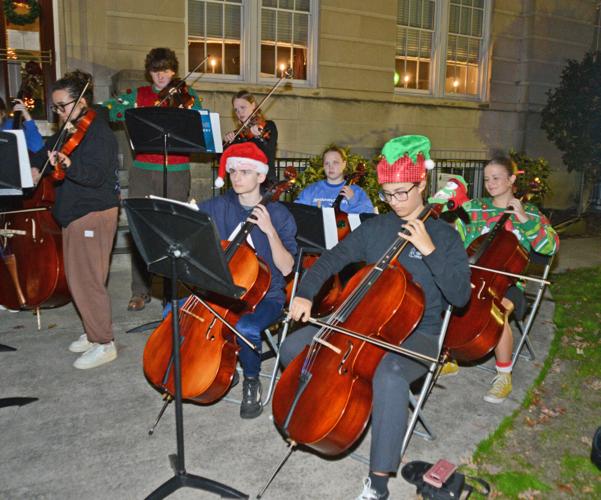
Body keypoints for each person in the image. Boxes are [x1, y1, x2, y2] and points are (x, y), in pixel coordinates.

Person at [280, 135, 471, 500]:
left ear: (422, 183)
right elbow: (329, 261)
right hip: (362, 323)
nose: (396, 202)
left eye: (403, 192)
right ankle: (332, 407)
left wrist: (429, 250)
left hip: (420, 332)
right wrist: (305, 292)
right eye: (387, 194)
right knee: (294, 347)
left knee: (390, 374)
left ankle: (378, 481)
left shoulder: (445, 236)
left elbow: (460, 297)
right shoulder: (376, 228)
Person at [440, 157, 559, 404]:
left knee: (497, 310)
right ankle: (449, 357)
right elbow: (457, 241)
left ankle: (504, 374)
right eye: (486, 179)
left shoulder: (532, 214)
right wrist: (447, 213)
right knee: (441, 296)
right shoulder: (474, 208)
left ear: (512, 180)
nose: (490, 183)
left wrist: (524, 219)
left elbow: (549, 247)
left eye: (496, 178)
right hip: (472, 274)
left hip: (508, 284)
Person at [197, 141, 297, 418]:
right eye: (233, 171)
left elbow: (287, 268)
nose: (237, 177)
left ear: (261, 176)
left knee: (247, 327)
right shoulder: (219, 206)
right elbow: (191, 220)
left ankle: (251, 379)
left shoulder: (278, 213)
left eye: (244, 171)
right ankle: (216, 366)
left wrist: (270, 231)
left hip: (268, 293)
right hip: (224, 289)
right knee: (176, 309)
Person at [30, 70, 120, 369]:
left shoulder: (99, 132)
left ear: (82, 101)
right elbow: (45, 152)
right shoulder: (69, 130)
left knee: (89, 280)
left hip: (93, 212)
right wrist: (35, 166)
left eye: (62, 105)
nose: (58, 113)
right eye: (54, 108)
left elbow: (96, 176)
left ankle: (105, 342)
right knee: (79, 278)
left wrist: (68, 165)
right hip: (74, 213)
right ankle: (94, 333)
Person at [101, 47, 203, 311]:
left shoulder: (187, 96)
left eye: (167, 70)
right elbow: (111, 111)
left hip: (177, 171)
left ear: (174, 71)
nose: (161, 76)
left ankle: (174, 292)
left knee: (175, 232)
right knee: (140, 228)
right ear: (149, 72)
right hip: (144, 171)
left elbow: (201, 125)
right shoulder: (140, 95)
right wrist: (113, 108)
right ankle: (140, 290)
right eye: (156, 71)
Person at [216, 90, 278, 187]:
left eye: (242, 107)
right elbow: (220, 158)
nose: (239, 112)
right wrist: (226, 142)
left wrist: (258, 136)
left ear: (253, 105)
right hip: (241, 185)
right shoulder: (238, 134)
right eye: (236, 110)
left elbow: (268, 152)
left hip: (265, 184)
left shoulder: (268, 126)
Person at [294, 145, 375, 214]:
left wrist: (353, 200)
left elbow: (368, 216)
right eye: (327, 163)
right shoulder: (311, 190)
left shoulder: (357, 191)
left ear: (344, 164)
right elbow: (297, 213)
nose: (330, 167)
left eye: (335, 162)